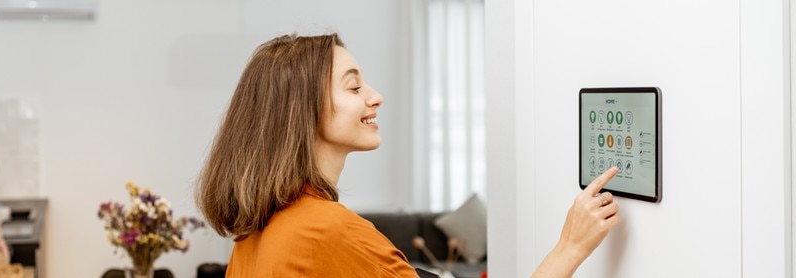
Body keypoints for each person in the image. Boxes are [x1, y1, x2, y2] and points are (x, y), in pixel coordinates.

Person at [196, 33, 621, 277]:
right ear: (301, 111)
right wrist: (570, 247)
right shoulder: (327, 230)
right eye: (354, 86)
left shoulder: (255, 233)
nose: (375, 96)